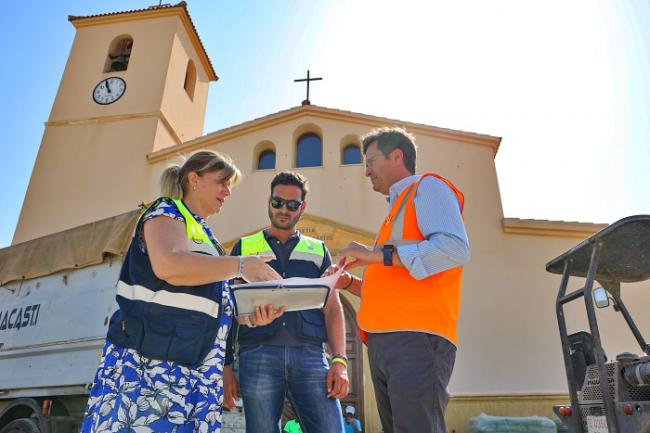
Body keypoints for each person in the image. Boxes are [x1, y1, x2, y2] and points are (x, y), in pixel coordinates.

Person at [81, 150, 283, 433]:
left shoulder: (205, 234)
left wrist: (251, 315)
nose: (227, 191)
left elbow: (212, 300)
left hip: (193, 368)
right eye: (222, 182)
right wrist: (240, 265)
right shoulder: (166, 211)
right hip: (152, 367)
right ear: (194, 179)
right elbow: (169, 265)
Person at [328, 128, 470, 433]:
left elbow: (455, 249)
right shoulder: (396, 210)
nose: (366, 171)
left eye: (371, 161)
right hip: (388, 344)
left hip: (416, 340)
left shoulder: (427, 187)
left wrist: (375, 255)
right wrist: (349, 283)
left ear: (397, 156)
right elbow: (394, 284)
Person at [225, 171, 348, 433]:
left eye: (292, 205)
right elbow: (230, 310)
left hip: (311, 357)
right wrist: (226, 368)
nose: (284, 209)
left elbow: (333, 308)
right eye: (278, 202)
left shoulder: (318, 251)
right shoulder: (244, 247)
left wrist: (340, 360)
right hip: (257, 355)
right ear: (268, 200)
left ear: (302, 207)